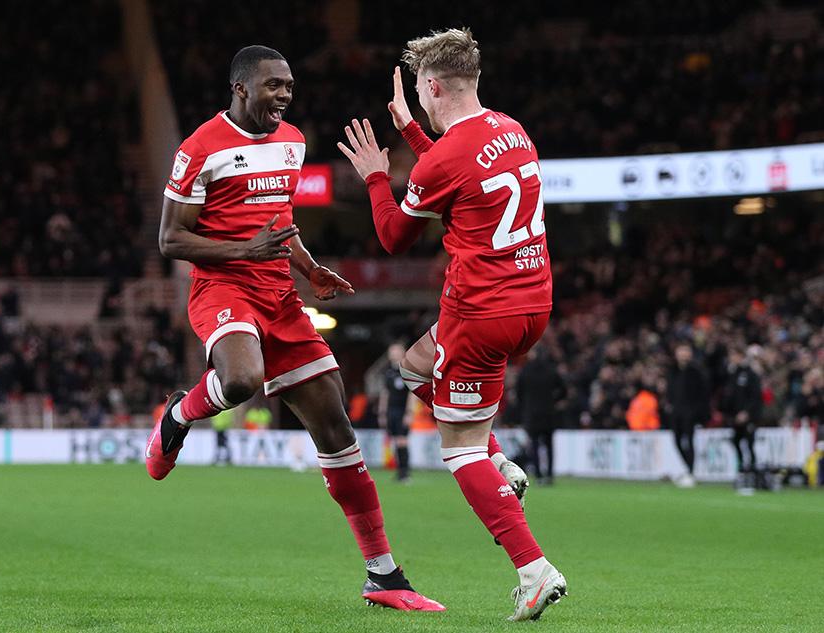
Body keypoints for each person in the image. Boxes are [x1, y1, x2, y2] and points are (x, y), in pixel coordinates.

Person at [143, 45, 442, 611]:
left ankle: (384, 576)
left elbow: (281, 221)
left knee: (337, 430)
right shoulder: (198, 149)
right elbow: (169, 239)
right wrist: (241, 250)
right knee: (241, 380)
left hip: (280, 295)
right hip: (223, 289)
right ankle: (179, 414)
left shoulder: (293, 142)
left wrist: (309, 268)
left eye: (289, 85)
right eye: (274, 85)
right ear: (240, 89)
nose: (285, 94)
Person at [338, 28, 566, 621]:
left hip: (480, 315)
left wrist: (373, 173)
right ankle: (501, 464)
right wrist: (413, 131)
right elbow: (456, 171)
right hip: (532, 305)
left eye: (421, 93)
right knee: (412, 369)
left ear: (432, 87)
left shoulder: (444, 156)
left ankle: (533, 569)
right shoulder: (514, 129)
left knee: (458, 451)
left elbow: (393, 236)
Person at [663, 343, 710, 487]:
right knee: (677, 441)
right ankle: (688, 470)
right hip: (676, 412)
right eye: (680, 351)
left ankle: (690, 472)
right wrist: (669, 404)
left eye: (686, 351)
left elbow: (703, 393)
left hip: (690, 412)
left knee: (689, 441)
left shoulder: (696, 371)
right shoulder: (672, 371)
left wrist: (698, 412)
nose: (683, 354)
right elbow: (670, 390)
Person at [516, 348, 564, 484]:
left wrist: (525, 406)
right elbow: (563, 389)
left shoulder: (526, 371)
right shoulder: (551, 370)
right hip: (549, 413)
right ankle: (549, 474)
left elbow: (519, 392)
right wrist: (554, 401)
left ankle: (538, 475)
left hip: (532, 414)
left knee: (535, 445)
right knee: (549, 445)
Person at [722, 348, 762, 477]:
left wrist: (747, 412)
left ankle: (753, 468)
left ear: (741, 357)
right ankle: (742, 466)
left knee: (750, 443)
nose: (732, 359)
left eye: (734, 356)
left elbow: (755, 396)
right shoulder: (732, 374)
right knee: (736, 441)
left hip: (749, 416)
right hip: (735, 416)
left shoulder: (751, 374)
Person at [378, 342, 413, 482]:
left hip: (403, 410)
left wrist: (409, 412)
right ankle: (399, 473)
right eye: (391, 351)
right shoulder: (388, 372)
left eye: (396, 351)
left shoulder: (407, 370)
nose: (393, 353)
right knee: (394, 441)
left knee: (401, 440)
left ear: (402, 352)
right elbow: (385, 392)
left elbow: (412, 393)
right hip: (391, 411)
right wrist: (382, 413)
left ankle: (405, 473)